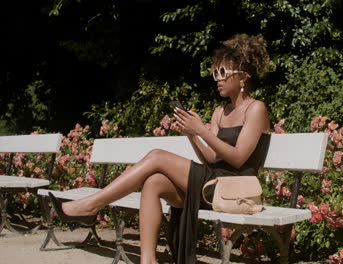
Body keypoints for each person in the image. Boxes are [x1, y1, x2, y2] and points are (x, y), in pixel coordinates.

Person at [49, 33, 271, 264]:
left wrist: (202, 131)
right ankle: (148, 261)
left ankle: (92, 205)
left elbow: (237, 159)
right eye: (215, 73)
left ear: (244, 77)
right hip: (213, 185)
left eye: (223, 73)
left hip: (236, 190)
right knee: (153, 181)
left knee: (156, 156)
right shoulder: (219, 111)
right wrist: (192, 135)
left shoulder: (256, 109)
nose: (217, 79)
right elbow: (211, 159)